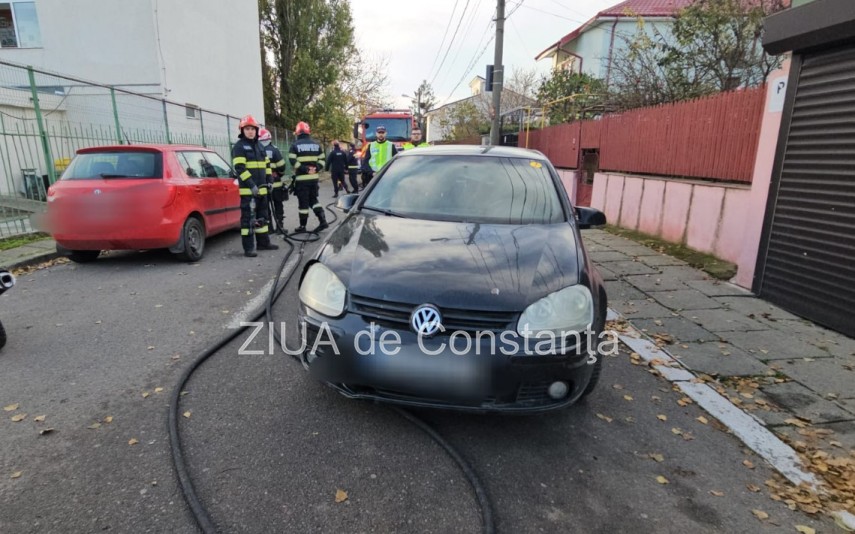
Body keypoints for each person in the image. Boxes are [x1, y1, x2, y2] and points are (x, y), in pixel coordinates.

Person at [232, 115, 279, 257]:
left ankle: (263, 243)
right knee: (248, 220)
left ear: (256, 130)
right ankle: (249, 248)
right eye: (247, 129)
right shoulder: (239, 147)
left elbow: (267, 165)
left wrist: (270, 180)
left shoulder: (259, 146)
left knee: (263, 217)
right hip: (249, 191)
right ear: (242, 130)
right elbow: (240, 168)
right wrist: (252, 186)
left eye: (252, 129)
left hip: (263, 189)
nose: (250, 131)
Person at [287, 121, 328, 232]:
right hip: (314, 179)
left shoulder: (295, 145)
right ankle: (323, 220)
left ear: (298, 133)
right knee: (313, 200)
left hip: (302, 180)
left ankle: (302, 226)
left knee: (303, 204)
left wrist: (304, 169)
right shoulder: (316, 145)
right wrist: (316, 168)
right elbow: (323, 159)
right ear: (308, 132)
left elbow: (292, 160)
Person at [258, 127, 288, 233]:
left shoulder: (256, 150)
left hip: (263, 185)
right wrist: (278, 173)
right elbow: (282, 166)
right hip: (276, 184)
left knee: (266, 207)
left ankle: (269, 228)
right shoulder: (274, 150)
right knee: (278, 205)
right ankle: (280, 227)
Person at [360, 125, 397, 189]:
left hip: (387, 175)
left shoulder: (391, 145)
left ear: (386, 133)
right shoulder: (371, 145)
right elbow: (366, 162)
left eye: (382, 133)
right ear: (376, 134)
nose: (381, 134)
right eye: (379, 133)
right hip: (373, 176)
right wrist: (372, 173)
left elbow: (396, 161)